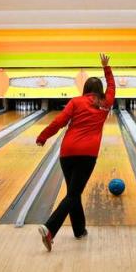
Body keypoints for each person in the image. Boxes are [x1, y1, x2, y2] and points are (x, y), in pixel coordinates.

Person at [35, 53, 116, 252]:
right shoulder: (106, 103)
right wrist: (106, 68)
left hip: (67, 153)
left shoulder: (75, 102)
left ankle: (79, 230)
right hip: (88, 155)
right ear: (100, 91)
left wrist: (43, 136)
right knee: (73, 194)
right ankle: (50, 228)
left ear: (85, 89)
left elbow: (59, 122)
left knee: (74, 192)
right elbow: (113, 86)